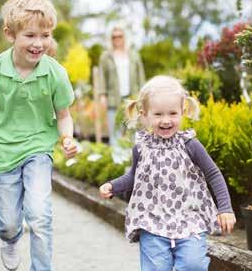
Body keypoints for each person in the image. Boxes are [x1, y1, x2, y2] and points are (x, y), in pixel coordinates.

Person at [0, 0, 77, 271]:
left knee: (40, 215)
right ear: (10, 34)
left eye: (45, 35)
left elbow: (64, 115)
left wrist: (67, 137)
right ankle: (10, 238)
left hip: (38, 150)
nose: (38, 43)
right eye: (30, 35)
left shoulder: (55, 73)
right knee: (9, 223)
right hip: (1, 154)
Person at [99, 76, 236, 271]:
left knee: (193, 264)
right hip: (152, 220)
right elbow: (134, 176)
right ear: (144, 114)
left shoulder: (190, 144)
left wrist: (225, 209)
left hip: (189, 219)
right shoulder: (142, 147)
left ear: (183, 111)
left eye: (173, 113)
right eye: (158, 114)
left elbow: (213, 174)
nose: (166, 120)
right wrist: (113, 186)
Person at [99, 26, 146, 146]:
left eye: (120, 36)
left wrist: (143, 95)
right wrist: (102, 94)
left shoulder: (134, 55)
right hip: (113, 99)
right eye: (114, 37)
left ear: (125, 37)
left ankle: (133, 160)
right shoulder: (106, 56)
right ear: (110, 39)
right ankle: (117, 161)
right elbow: (102, 76)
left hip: (132, 98)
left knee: (134, 131)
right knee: (115, 132)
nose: (117, 39)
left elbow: (140, 75)